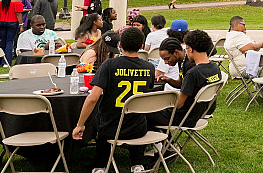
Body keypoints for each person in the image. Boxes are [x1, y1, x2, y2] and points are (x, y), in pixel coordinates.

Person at [72, 27, 155, 173]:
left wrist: (80, 125)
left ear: (120, 45)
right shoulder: (149, 67)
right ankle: (137, 163)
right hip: (138, 128)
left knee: (102, 120)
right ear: (142, 46)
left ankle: (100, 165)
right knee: (135, 117)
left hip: (110, 127)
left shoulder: (109, 65)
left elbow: (93, 98)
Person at [149, 29, 220, 129]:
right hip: (199, 111)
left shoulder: (193, 72)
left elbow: (178, 104)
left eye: (186, 49)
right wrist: (169, 80)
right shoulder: (215, 67)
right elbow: (187, 87)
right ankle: (166, 142)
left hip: (184, 117)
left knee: (143, 112)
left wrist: (161, 102)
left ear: (190, 49)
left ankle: (162, 143)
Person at [0, 0, 23, 65]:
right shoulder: (17, 0)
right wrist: (21, 25)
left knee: (2, 42)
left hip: (2, 23)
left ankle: (1, 61)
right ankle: (7, 62)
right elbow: (18, 13)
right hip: (12, 23)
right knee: (9, 42)